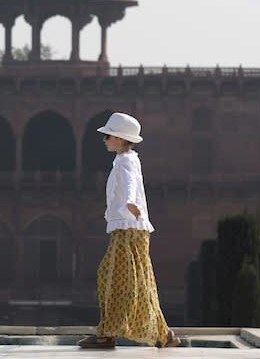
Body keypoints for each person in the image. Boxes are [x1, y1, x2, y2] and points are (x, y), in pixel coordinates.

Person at [78, 112, 180, 349]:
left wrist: (130, 203)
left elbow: (130, 183)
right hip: (128, 227)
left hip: (128, 228)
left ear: (122, 139)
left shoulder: (125, 161)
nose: (105, 140)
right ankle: (161, 334)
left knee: (118, 280)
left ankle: (109, 333)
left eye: (109, 136)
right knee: (132, 281)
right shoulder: (127, 158)